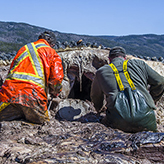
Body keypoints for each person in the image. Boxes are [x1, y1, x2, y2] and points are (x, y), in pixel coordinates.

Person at [91, 46, 164, 132]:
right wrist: (152, 99)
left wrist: (99, 109)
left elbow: (95, 96)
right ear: (125, 58)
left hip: (118, 121)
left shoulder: (101, 72)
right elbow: (160, 82)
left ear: (109, 59)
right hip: (145, 119)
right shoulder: (140, 64)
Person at [0, 31, 64, 124]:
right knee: (44, 123)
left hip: (9, 95)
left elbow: (11, 71)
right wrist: (55, 92)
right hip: (33, 97)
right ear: (51, 43)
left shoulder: (23, 49)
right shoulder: (51, 52)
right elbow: (56, 79)